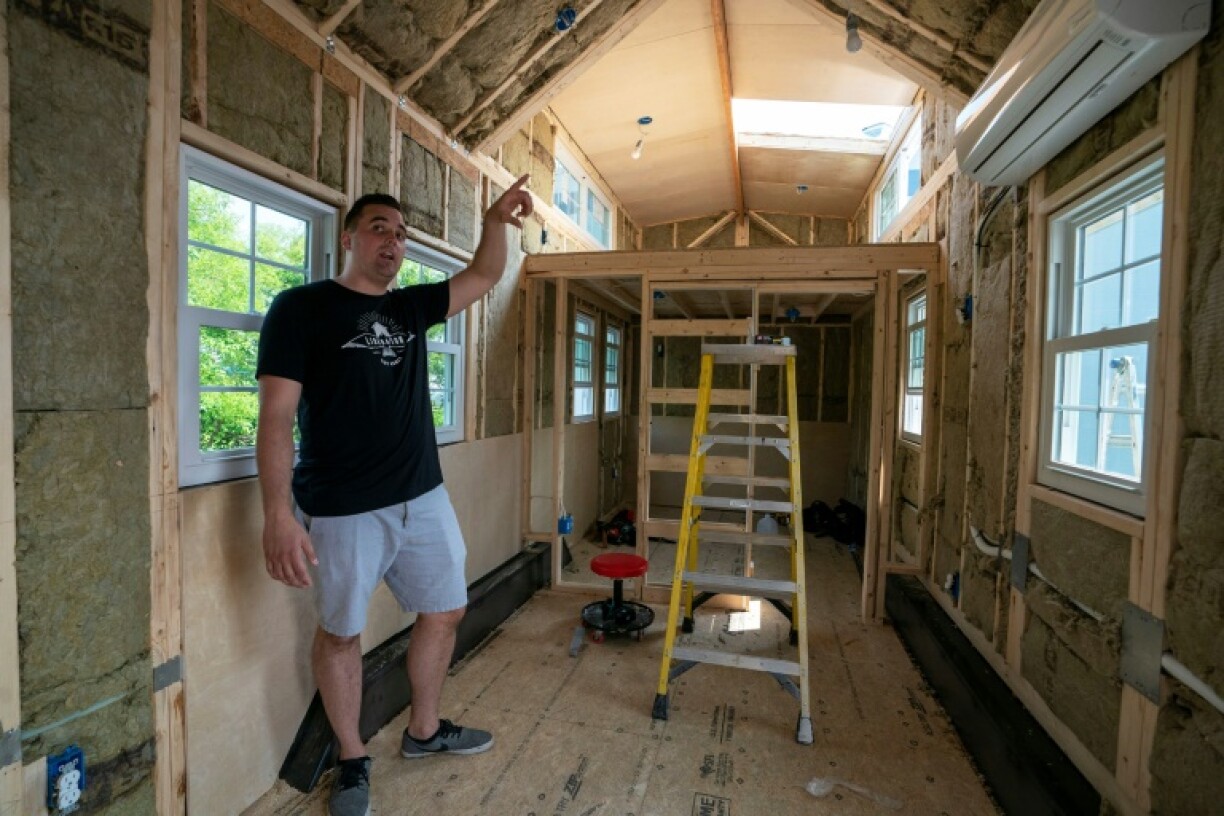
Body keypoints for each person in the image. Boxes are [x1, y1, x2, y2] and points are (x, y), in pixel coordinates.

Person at [256, 175, 533, 816]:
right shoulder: (300, 309)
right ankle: (353, 759)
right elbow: (275, 418)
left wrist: (494, 218)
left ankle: (424, 732)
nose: (394, 240)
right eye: (380, 227)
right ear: (349, 238)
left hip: (423, 497)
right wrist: (277, 514)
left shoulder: (409, 309)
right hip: (343, 507)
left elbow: (485, 275)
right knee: (342, 632)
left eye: (402, 233)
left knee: (445, 610)